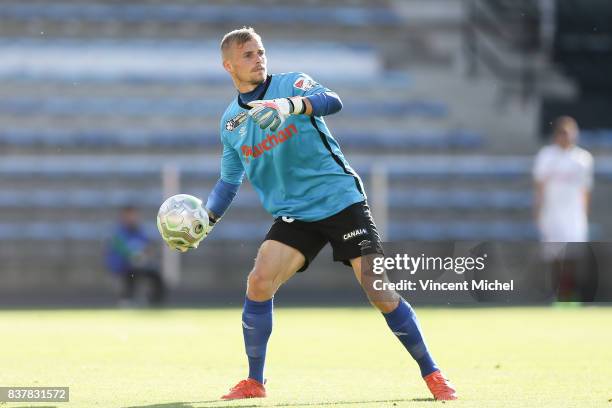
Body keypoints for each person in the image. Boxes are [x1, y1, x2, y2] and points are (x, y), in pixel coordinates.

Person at [174, 27, 456, 401]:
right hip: (295, 214)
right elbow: (229, 182)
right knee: (259, 281)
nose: (258, 58)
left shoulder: (291, 83)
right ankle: (254, 382)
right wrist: (206, 220)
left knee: (377, 288)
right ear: (228, 65)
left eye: (260, 52)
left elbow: (332, 99)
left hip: (339, 199)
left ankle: (433, 374)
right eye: (248, 55)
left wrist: (290, 105)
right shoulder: (230, 122)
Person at [533, 116, 595, 300]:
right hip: (552, 214)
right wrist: (538, 209)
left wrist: (584, 212)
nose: (566, 137)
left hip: (574, 214)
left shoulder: (583, 159)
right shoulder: (546, 156)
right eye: (562, 133)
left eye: (569, 133)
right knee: (554, 256)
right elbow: (539, 186)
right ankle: (555, 293)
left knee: (573, 255)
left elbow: (585, 189)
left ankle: (570, 293)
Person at [105, 206, 165, 306]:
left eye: (134, 215)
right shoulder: (118, 233)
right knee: (131, 273)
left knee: (155, 274)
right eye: (129, 216)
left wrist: (145, 254)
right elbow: (120, 251)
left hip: (139, 265)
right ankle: (127, 299)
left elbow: (148, 247)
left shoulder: (140, 231)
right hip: (123, 265)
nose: (132, 218)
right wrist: (133, 256)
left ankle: (155, 301)